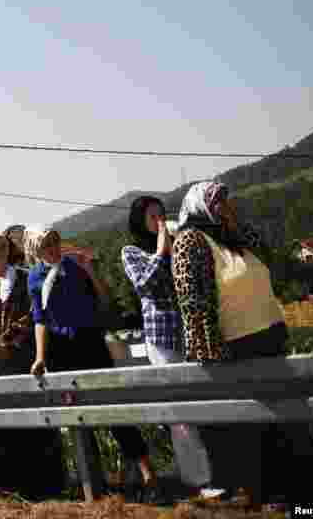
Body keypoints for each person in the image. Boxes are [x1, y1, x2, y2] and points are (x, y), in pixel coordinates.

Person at [171, 181, 313, 509]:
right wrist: (216, 357)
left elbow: (270, 255)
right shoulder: (190, 240)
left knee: (293, 426)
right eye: (218, 202)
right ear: (201, 206)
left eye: (227, 201)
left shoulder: (234, 237)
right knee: (260, 433)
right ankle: (278, 499)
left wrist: (236, 225)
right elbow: (193, 304)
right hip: (235, 350)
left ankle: (308, 498)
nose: (225, 207)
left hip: (269, 340)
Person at [25, 226, 157, 502]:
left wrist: (90, 271)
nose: (52, 248)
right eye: (46, 244)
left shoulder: (73, 266)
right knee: (78, 417)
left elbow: (103, 297)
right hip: (60, 353)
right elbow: (39, 318)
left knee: (113, 408)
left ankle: (147, 473)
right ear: (36, 249)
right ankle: (94, 483)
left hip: (90, 343)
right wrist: (39, 356)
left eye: (55, 241)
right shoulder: (35, 277)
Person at [123, 195, 218, 498]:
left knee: (204, 405)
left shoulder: (178, 243)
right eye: (152, 216)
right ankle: (198, 480)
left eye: (162, 214)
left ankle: (219, 472)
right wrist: (163, 249)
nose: (159, 220)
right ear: (140, 221)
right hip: (162, 338)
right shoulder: (132, 251)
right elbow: (145, 285)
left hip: (192, 334)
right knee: (181, 413)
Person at [0, 232, 65, 500]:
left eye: (3, 246)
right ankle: (8, 487)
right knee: (0, 428)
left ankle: (44, 487)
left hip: (20, 359)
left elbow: (32, 313)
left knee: (32, 424)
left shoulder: (23, 276)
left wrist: (6, 341)